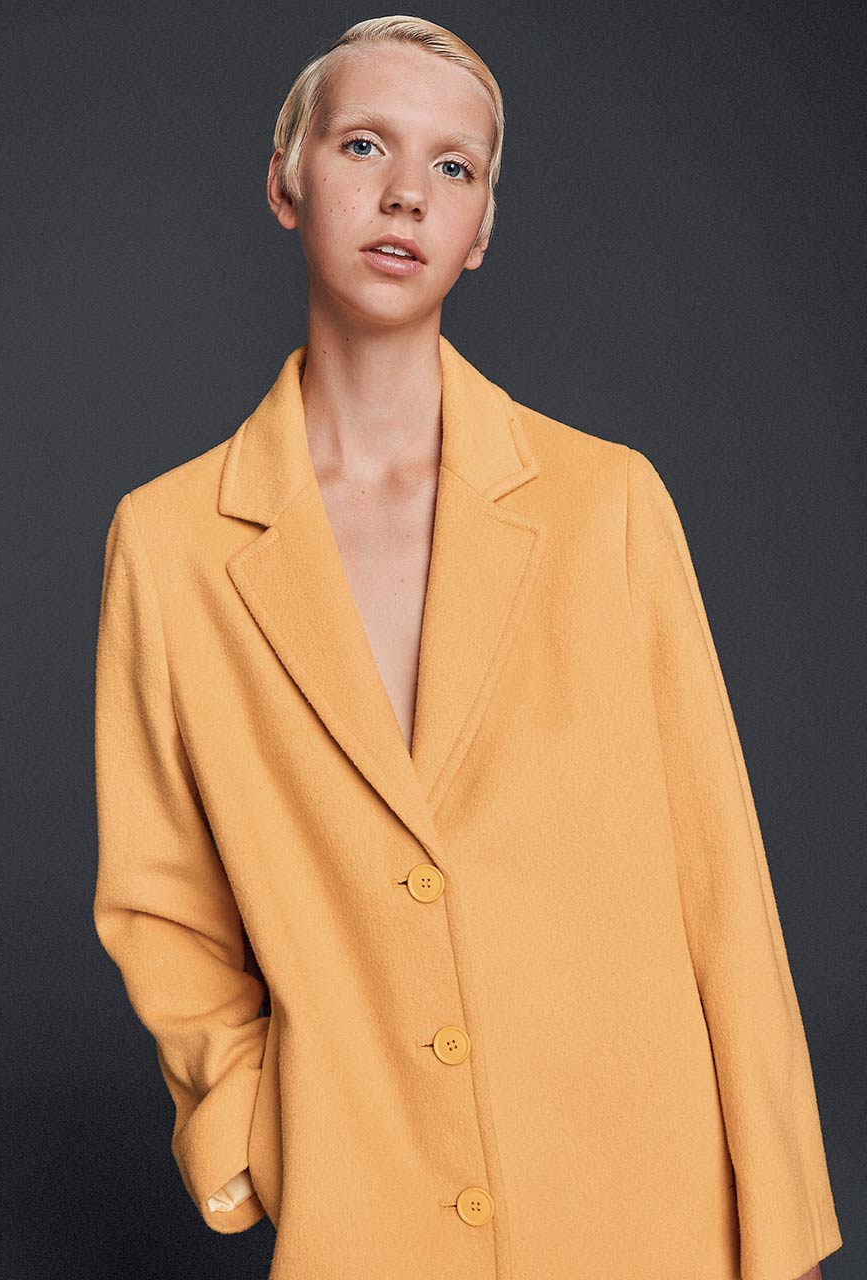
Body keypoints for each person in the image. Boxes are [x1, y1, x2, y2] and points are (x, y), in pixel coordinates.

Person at [92, 15, 843, 1280]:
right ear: (285, 181)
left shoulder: (606, 503)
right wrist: (251, 1127)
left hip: (648, 1195)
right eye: (364, 144)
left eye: (455, 166)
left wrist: (782, 1229)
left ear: (482, 226)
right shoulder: (171, 544)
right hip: (365, 1203)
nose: (406, 193)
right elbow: (160, 898)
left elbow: (726, 890)